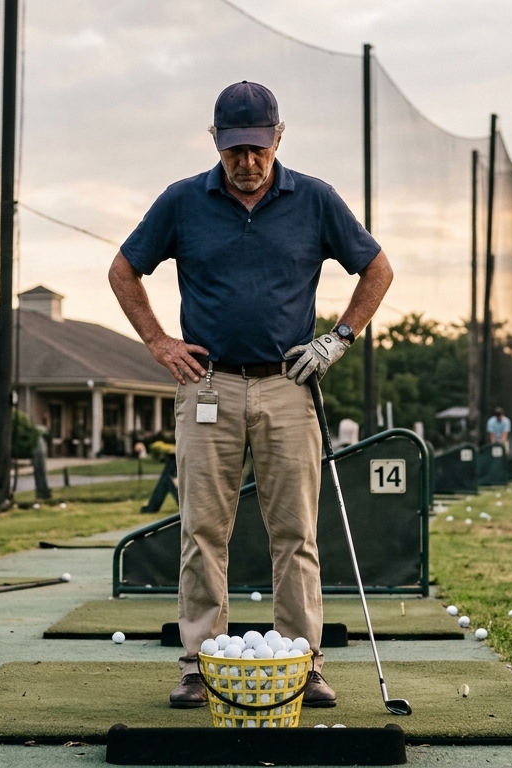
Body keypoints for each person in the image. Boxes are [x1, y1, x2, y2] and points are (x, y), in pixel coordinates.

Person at [109, 81, 393, 710]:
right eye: (235, 149)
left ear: (278, 139)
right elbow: (123, 269)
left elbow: (377, 268)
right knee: (203, 528)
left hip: (290, 384)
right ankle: (198, 664)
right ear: (217, 142)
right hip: (206, 384)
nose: (247, 162)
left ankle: (303, 663)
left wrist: (339, 339)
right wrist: (159, 342)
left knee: (295, 531)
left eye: (257, 149)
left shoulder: (314, 199)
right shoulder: (183, 201)